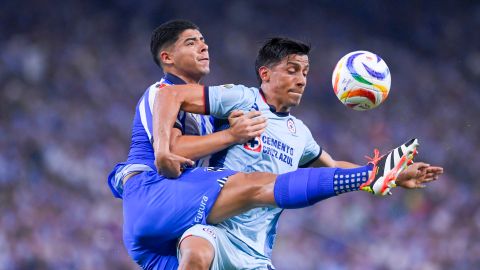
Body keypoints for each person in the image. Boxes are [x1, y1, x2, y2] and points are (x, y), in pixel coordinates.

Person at [108, 20, 440, 270]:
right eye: (292, 70)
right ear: (265, 74)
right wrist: (220, 139)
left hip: (254, 248)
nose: (301, 79)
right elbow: (170, 103)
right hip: (204, 222)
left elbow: (332, 167)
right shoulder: (237, 99)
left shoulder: (300, 134)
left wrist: (389, 175)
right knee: (202, 243)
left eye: (306, 73)